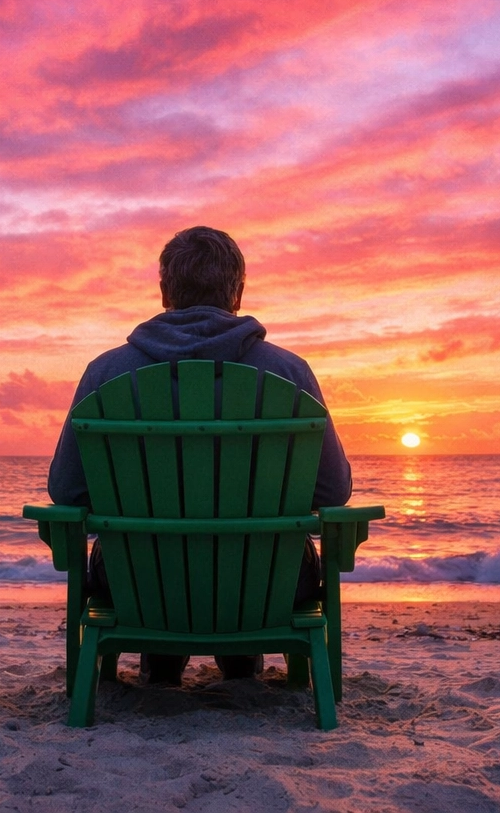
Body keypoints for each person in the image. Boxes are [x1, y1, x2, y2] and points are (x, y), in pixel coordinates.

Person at [47, 225, 352, 685]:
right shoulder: (289, 373)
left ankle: (161, 665)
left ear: (165, 290)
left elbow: (66, 491)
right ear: (239, 291)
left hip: (137, 584)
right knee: (264, 562)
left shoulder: (106, 373)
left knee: (141, 560)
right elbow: (334, 490)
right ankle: (243, 667)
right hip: (270, 585)